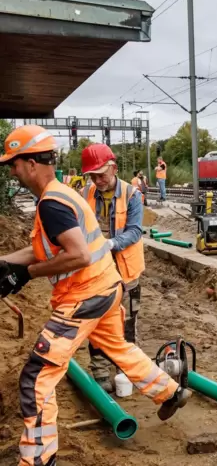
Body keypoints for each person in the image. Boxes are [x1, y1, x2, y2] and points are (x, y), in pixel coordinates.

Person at [0, 125, 190, 466]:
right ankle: (170, 391)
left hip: (84, 297)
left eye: (13, 164)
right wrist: (7, 263)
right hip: (107, 287)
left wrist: (27, 274)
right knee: (117, 346)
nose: (11, 171)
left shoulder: (54, 202)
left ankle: (39, 465)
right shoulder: (63, 196)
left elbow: (76, 253)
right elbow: (46, 248)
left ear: (30, 163)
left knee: (35, 377)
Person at [81, 145, 146, 393]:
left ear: (114, 169)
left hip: (126, 272)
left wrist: (111, 243)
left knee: (127, 325)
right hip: (96, 273)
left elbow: (135, 231)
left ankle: (125, 372)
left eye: (101, 175)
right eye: (93, 176)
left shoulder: (132, 194)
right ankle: (99, 375)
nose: (97, 181)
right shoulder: (85, 194)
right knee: (96, 322)